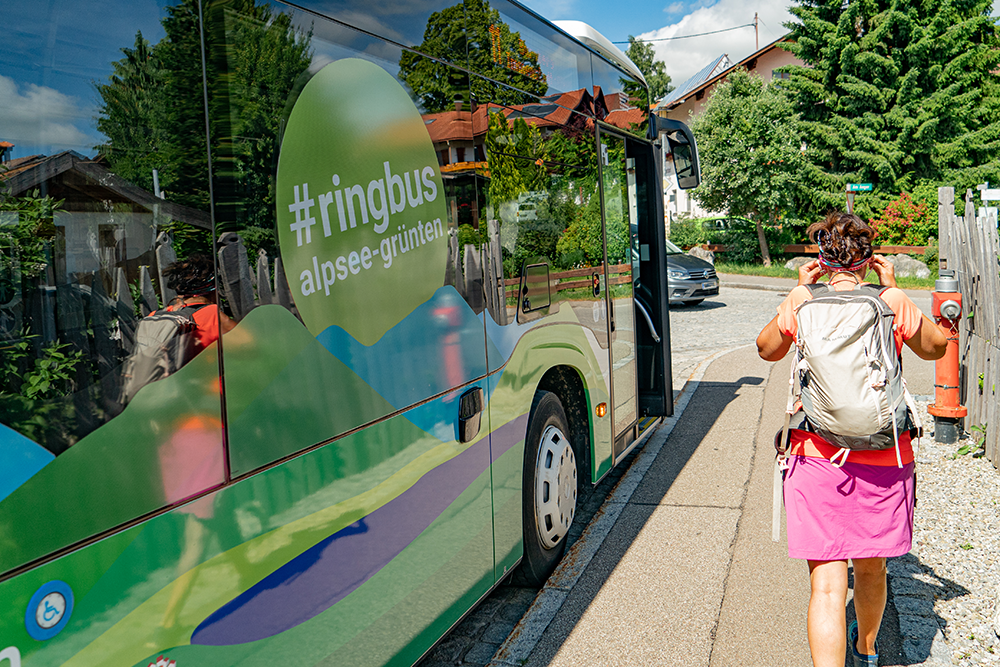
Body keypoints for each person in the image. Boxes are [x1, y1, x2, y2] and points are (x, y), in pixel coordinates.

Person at [755, 212, 947, 667]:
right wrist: (894, 286)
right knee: (871, 568)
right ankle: (866, 648)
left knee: (825, 584)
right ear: (867, 258)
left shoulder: (802, 299)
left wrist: (795, 293)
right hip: (885, 454)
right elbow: (936, 347)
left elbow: (766, 350)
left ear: (821, 256)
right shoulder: (890, 300)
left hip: (815, 456)